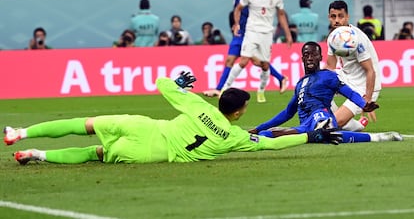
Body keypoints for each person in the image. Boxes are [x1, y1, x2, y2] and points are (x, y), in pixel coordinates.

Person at [4, 71, 342, 165]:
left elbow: (162, 84)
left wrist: (179, 83)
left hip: (144, 125)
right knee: (96, 153)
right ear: (237, 113)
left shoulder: (198, 106)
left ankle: (20, 133)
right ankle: (37, 155)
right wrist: (311, 136)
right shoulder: (233, 137)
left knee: (86, 124)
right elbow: (270, 144)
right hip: (154, 152)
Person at [248, 42, 402, 143]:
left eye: (313, 54)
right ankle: (318, 133)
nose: (310, 58)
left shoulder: (328, 76)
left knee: (322, 121)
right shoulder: (300, 84)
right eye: (306, 55)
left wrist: (363, 104)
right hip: (305, 128)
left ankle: (378, 137)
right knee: (265, 136)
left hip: (321, 116)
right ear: (302, 58)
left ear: (320, 57)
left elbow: (350, 93)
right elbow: (287, 113)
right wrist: (260, 127)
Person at [203, 0, 289, 98]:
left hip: (248, 33)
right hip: (240, 34)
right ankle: (219, 89)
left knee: (256, 61)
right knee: (232, 60)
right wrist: (237, 24)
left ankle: (280, 78)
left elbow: (255, 13)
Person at [326, 0, 381, 132]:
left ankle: (355, 124)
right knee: (318, 88)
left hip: (364, 85)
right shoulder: (333, 37)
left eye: (341, 16)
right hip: (347, 78)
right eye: (333, 16)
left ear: (347, 17)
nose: (337, 20)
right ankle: (347, 121)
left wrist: (366, 100)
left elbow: (370, 71)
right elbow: (330, 68)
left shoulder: (356, 39)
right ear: (329, 17)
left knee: (334, 124)